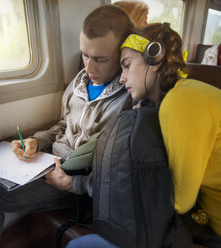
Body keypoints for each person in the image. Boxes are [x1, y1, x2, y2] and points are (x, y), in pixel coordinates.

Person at [0, 5, 134, 248]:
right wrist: (36, 141)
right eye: (84, 55)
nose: (89, 67)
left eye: (101, 59)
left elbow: (122, 173)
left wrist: (73, 183)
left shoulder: (131, 99)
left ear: (123, 55)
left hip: (72, 181)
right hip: (48, 162)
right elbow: (64, 125)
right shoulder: (81, 80)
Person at [67, 23, 221, 248]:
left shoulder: (181, 102)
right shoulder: (179, 96)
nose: (122, 78)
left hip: (214, 232)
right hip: (206, 221)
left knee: (78, 246)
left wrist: (80, 184)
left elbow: (179, 201)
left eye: (127, 66)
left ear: (154, 60)